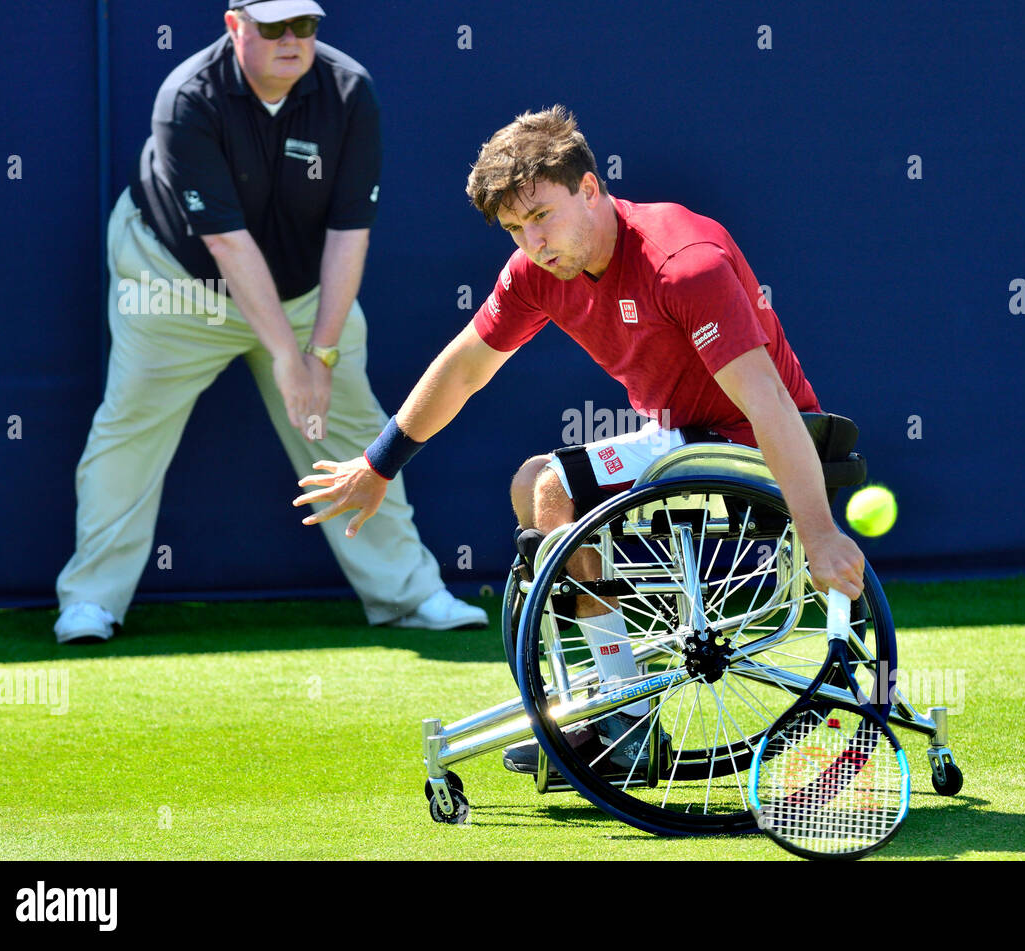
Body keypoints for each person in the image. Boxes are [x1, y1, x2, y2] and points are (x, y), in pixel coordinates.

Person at [293, 105, 865, 770]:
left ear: (590, 189)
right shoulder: (537, 274)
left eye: (541, 216)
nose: (533, 242)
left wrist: (819, 530)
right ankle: (612, 697)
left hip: (748, 446)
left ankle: (618, 715)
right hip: (679, 440)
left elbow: (768, 403)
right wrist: (380, 463)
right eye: (514, 228)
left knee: (555, 483)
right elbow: (464, 369)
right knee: (529, 483)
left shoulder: (683, 263)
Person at [54, 0, 486, 644]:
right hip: (173, 285)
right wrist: (291, 360)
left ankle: (408, 593)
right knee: (131, 427)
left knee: (357, 433)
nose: (291, 40)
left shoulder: (348, 90)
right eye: (273, 27)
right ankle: (90, 601)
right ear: (236, 28)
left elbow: (349, 234)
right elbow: (227, 242)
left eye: (304, 26)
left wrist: (324, 354)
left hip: (305, 290)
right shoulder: (187, 98)